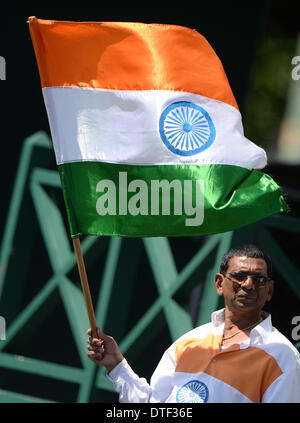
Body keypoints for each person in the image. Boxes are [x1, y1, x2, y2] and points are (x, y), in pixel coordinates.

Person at [87, 244, 300, 403]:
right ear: (219, 283)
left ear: (269, 290)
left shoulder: (283, 356)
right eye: (239, 276)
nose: (249, 284)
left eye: (259, 279)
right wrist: (116, 365)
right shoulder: (190, 341)